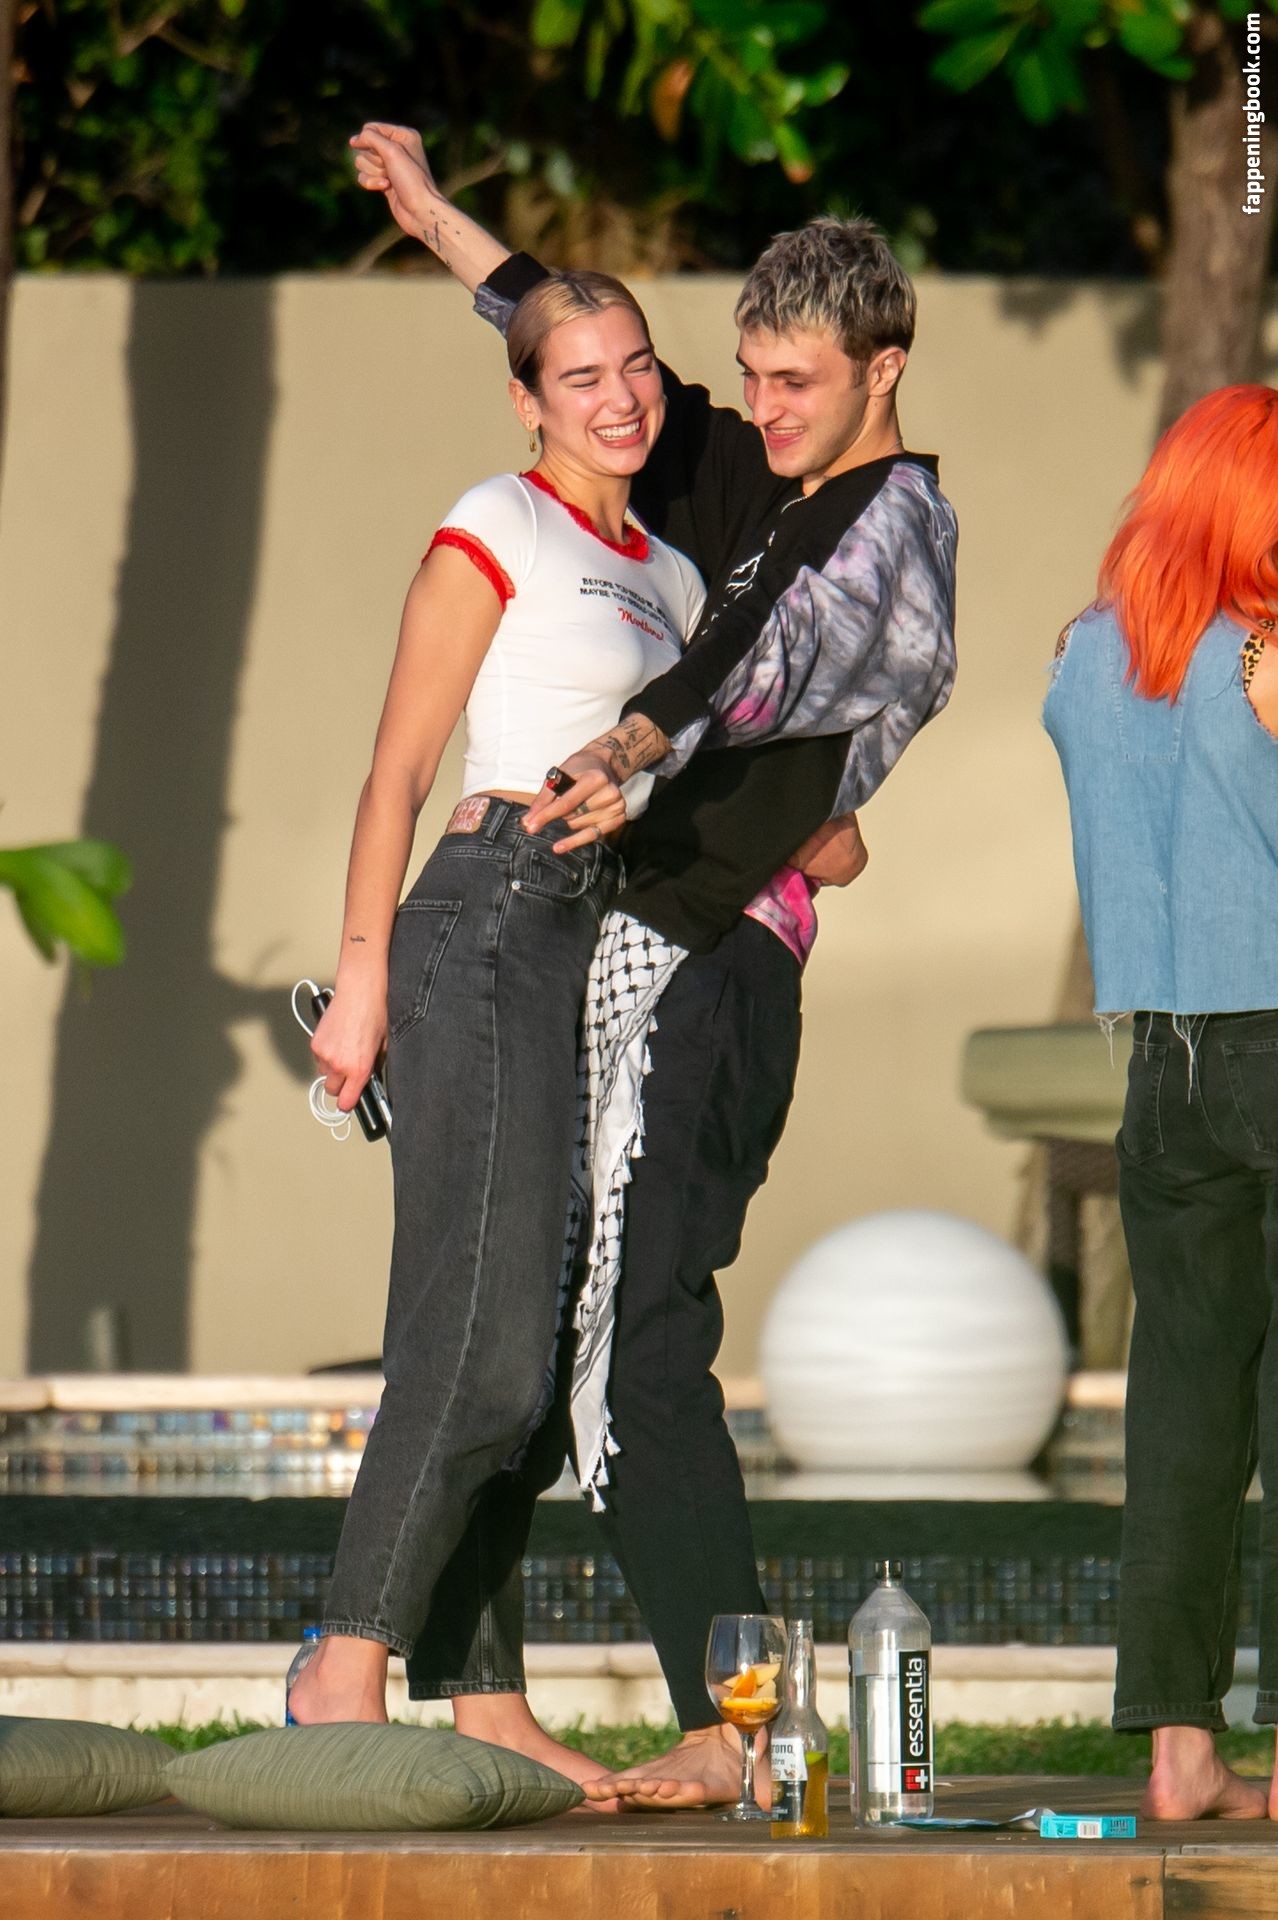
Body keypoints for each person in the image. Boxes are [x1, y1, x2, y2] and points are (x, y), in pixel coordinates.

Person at [351, 123, 958, 1805]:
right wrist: (436, 220)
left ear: (882, 370)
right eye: (749, 377)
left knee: (635, 1338)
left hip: (712, 960)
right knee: (537, 1314)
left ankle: (730, 1725)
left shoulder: (892, 525)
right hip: (642, 943)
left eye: (795, 383)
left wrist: (631, 745)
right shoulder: (753, 477)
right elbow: (576, 350)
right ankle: (488, 1693)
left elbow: (771, 662)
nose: (757, 410)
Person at [286, 264, 706, 1802]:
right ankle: (342, 1663)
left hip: (588, 951)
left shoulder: (673, 579)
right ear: (527, 400)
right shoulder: (500, 521)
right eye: (578, 375)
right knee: (472, 1341)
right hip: (477, 919)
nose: (618, 397)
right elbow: (397, 770)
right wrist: (361, 982)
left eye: (635, 364)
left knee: (528, 1348)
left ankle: (486, 1702)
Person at [1043, 384, 1278, 1822]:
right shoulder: (1261, 650)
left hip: (1163, 1064)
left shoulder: (1084, 653)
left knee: (1182, 1404)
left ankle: (1178, 1749)